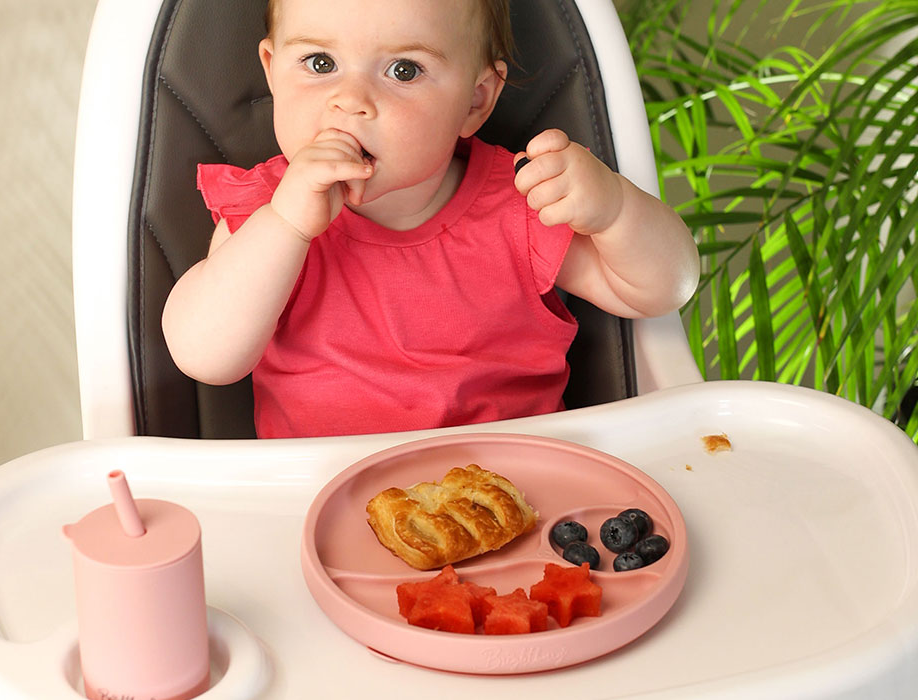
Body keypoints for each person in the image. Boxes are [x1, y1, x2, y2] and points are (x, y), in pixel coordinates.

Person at [161, 0, 699, 438]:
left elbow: (658, 290)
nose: (351, 101)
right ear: (271, 69)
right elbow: (206, 356)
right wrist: (286, 226)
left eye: (404, 70)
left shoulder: (521, 201)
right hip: (324, 504)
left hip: (510, 499)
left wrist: (615, 209)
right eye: (320, 63)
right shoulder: (265, 210)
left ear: (475, 100)